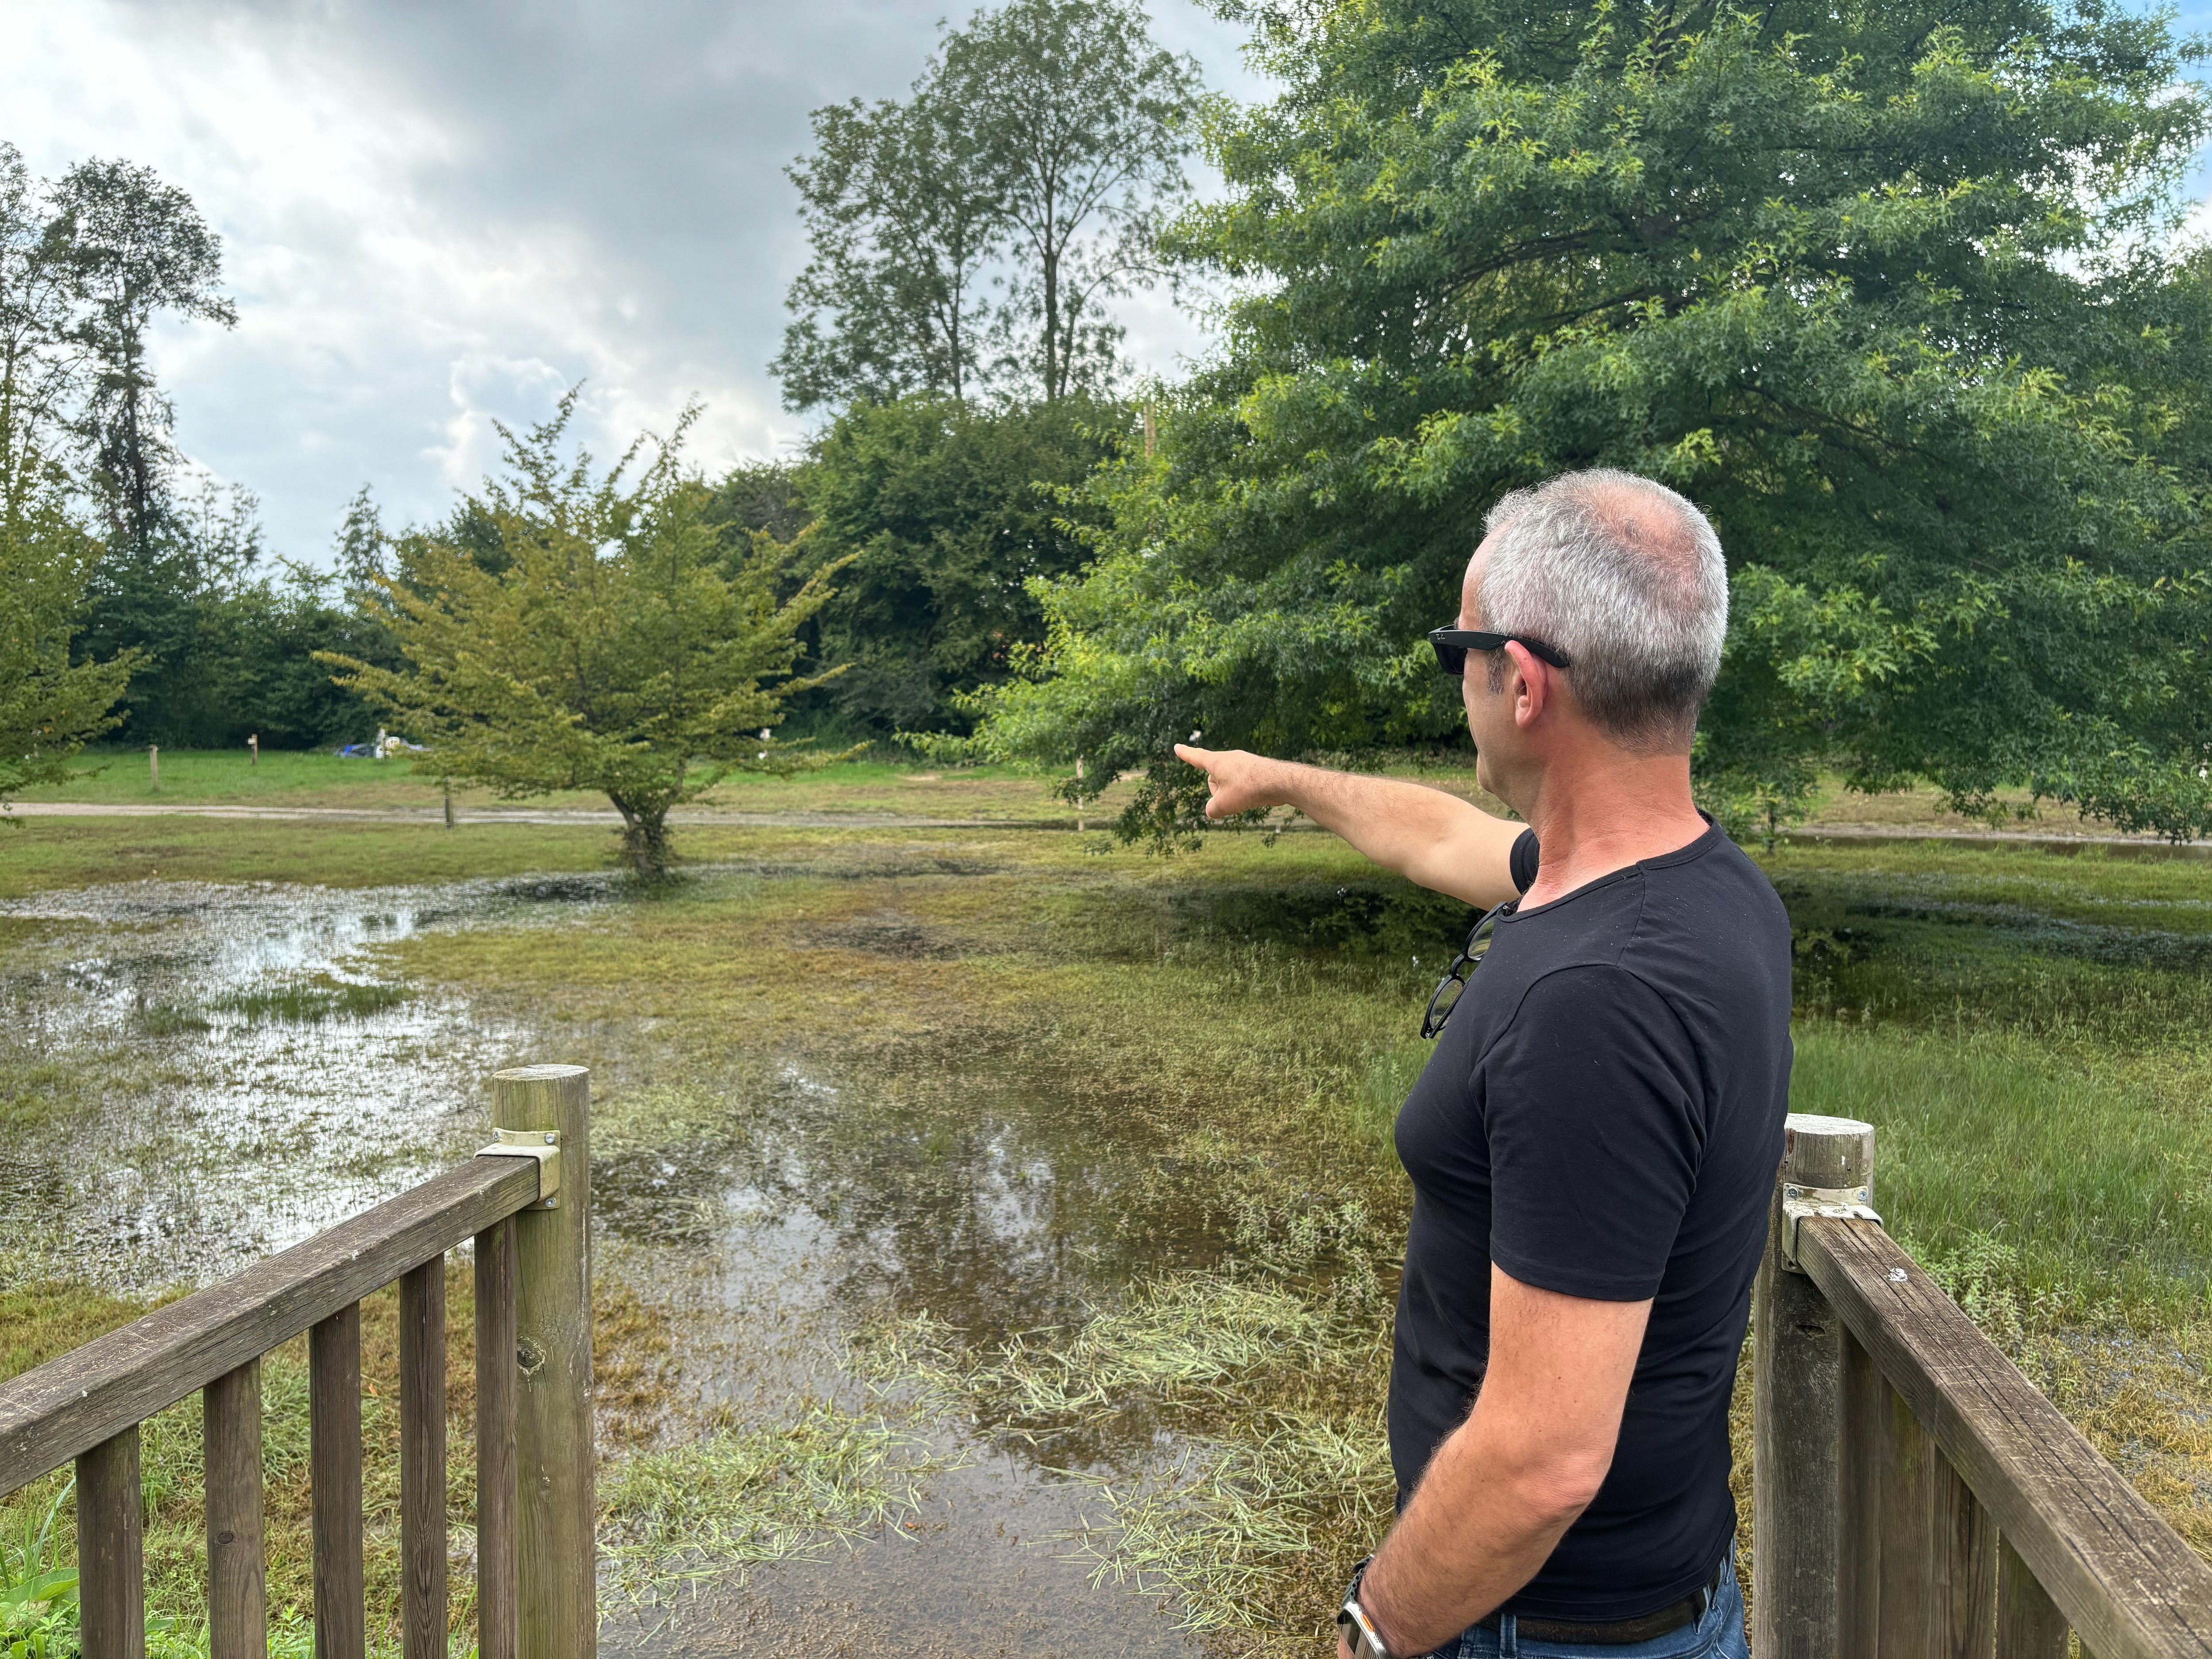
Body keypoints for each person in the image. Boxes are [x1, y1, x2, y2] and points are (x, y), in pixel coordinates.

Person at [1176, 470, 1790, 1659]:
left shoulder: (1598, 999)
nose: (1453, 676)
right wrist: (1283, 781)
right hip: (1642, 1599)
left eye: (1458, 646)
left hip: (1545, 1630)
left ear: (1522, 682)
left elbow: (1541, 1459)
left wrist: (1375, 1632)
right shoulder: (1693, 884)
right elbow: (1442, 835)